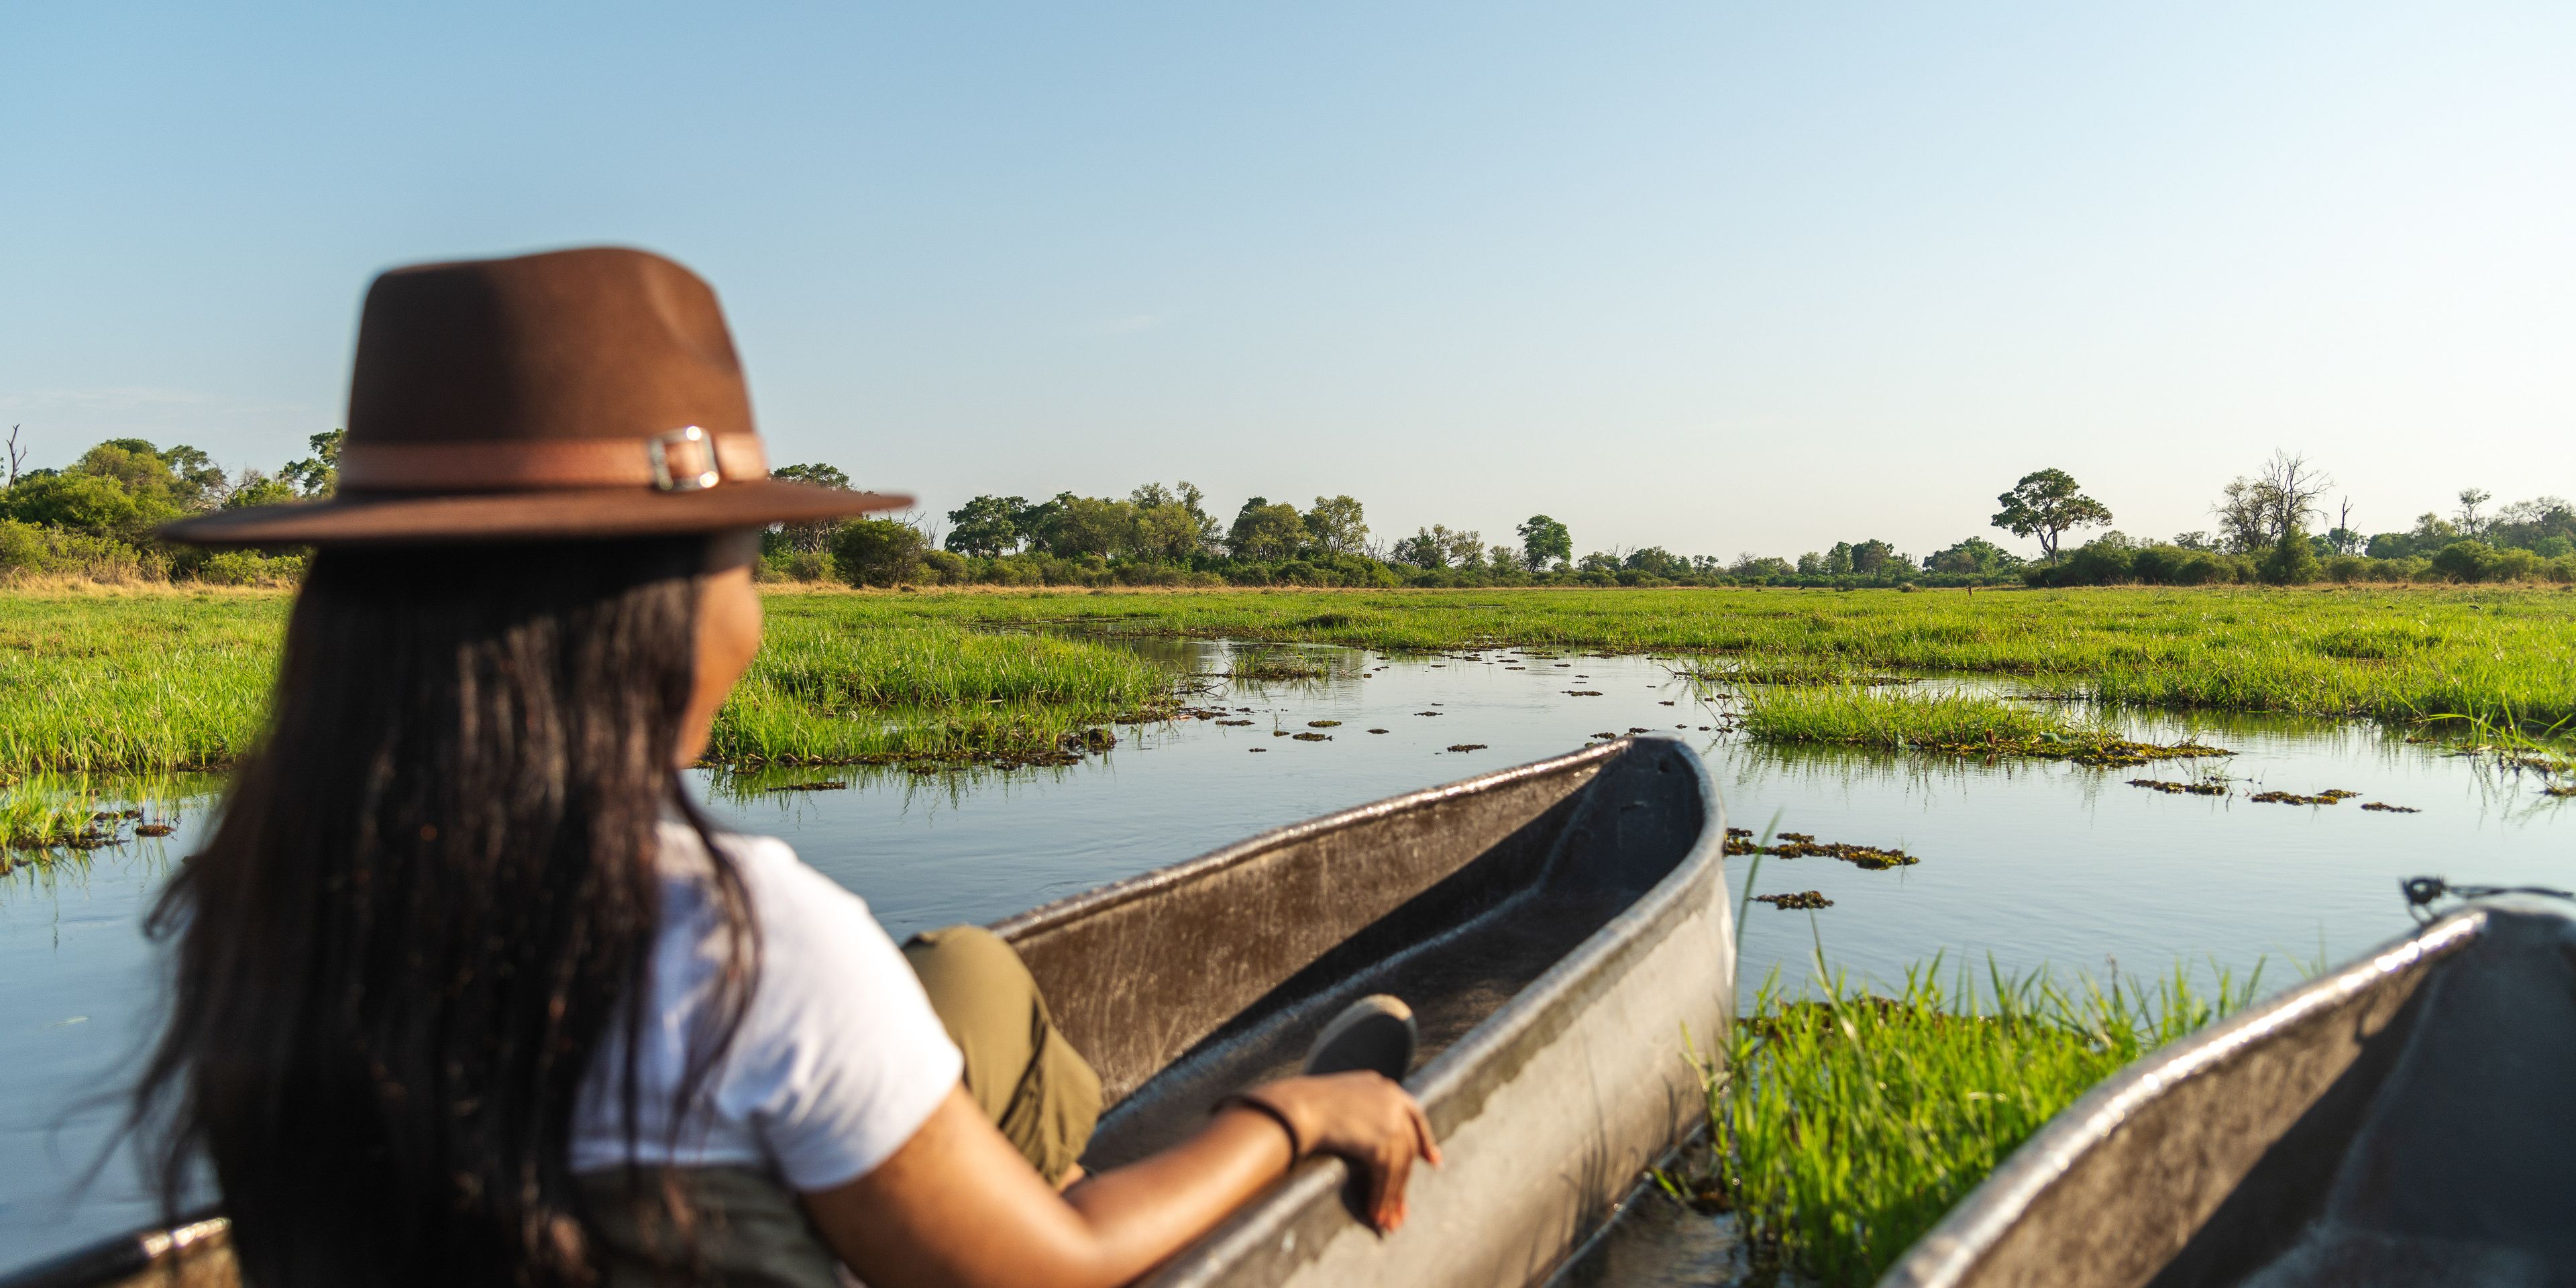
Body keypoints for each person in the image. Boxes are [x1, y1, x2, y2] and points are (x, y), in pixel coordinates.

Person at [138, 247, 1437, 1288]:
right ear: (639, 612)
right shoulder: (736, 941)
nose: (750, 622)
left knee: (971, 981)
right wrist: (1287, 1116)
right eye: (740, 569)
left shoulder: (256, 910)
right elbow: (1056, 1271)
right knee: (988, 1035)